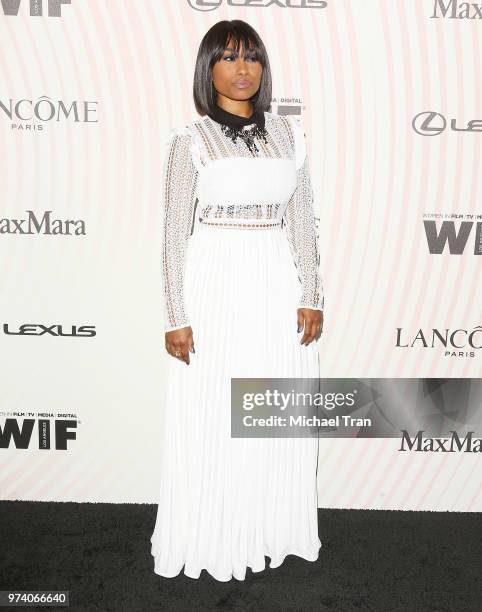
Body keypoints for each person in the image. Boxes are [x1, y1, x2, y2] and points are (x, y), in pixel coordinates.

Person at [151, 19, 325, 582]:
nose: (242, 68)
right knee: (216, 410)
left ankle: (268, 528)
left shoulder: (289, 136)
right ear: (209, 69)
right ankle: (214, 533)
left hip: (276, 282)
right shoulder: (189, 140)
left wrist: (312, 295)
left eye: (251, 56)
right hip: (216, 282)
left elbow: (302, 222)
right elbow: (174, 232)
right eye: (228, 58)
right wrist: (175, 315)